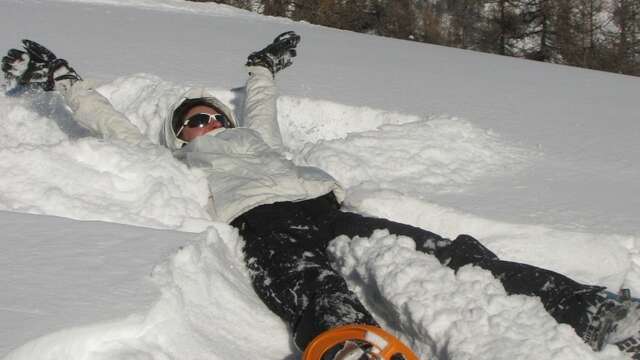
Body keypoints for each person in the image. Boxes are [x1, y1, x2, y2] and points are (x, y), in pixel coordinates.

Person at [3, 34, 640, 360]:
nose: (203, 125)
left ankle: (594, 310)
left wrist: (261, 67)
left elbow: (262, 105)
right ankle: (345, 345)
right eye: (191, 121)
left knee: (455, 256)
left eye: (209, 116)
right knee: (307, 283)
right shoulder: (174, 158)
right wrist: (66, 80)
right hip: (263, 225)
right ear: (179, 136)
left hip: (327, 209)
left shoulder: (257, 140)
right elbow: (109, 123)